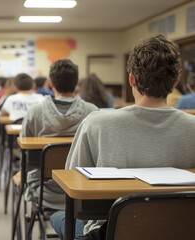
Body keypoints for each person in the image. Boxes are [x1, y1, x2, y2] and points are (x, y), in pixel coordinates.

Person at [51, 34, 195, 240]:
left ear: (131, 79)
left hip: (113, 230)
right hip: (182, 229)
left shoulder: (96, 123)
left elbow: (71, 184)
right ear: (175, 82)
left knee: (59, 218)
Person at [20, 59, 97, 214]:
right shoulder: (93, 112)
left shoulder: (34, 112)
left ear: (50, 83)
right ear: (76, 83)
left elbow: (25, 155)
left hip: (44, 191)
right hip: (82, 190)